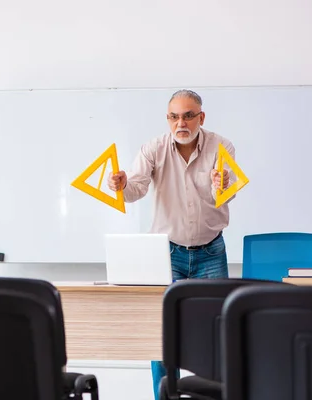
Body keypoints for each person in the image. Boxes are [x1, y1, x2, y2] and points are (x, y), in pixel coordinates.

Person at [107, 89, 237, 400]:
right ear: (168, 119)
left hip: (211, 251)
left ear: (201, 117)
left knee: (218, 332)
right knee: (162, 335)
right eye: (174, 116)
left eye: (189, 115)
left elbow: (228, 192)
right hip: (166, 254)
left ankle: (215, 395)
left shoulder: (222, 146)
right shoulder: (153, 148)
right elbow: (135, 189)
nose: (181, 122)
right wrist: (121, 184)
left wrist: (225, 185)